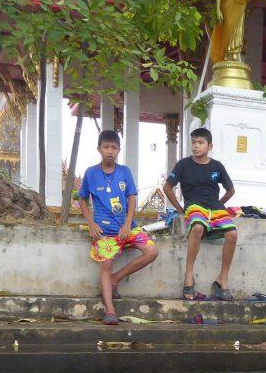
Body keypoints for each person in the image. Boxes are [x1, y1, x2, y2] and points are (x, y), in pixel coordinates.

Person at [78, 130, 159, 325]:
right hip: (104, 232)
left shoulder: (125, 172)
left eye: (114, 148)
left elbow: (131, 198)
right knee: (105, 264)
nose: (110, 151)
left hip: (126, 227)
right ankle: (110, 310)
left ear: (119, 150)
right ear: (99, 149)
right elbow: (81, 198)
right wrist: (91, 223)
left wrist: (127, 224)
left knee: (152, 251)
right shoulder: (91, 173)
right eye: (106, 147)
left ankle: (115, 279)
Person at [163, 128, 237, 301]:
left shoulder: (217, 166)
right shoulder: (183, 164)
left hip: (215, 206)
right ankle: (189, 275)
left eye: (200, 143)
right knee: (197, 228)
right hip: (193, 205)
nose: (196, 146)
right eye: (193, 142)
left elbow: (230, 190)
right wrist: (180, 209)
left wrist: (220, 206)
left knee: (232, 233)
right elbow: (167, 187)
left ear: (209, 146)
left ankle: (222, 279)